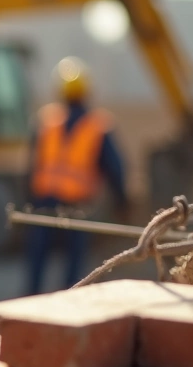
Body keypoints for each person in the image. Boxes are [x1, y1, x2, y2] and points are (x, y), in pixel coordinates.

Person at [25, 57, 129, 294]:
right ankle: (68, 303)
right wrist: (122, 202)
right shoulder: (97, 126)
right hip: (76, 207)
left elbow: (32, 166)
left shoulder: (47, 121)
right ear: (86, 91)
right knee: (73, 267)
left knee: (37, 259)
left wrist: (28, 200)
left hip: (44, 203)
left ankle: (30, 301)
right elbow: (115, 169)